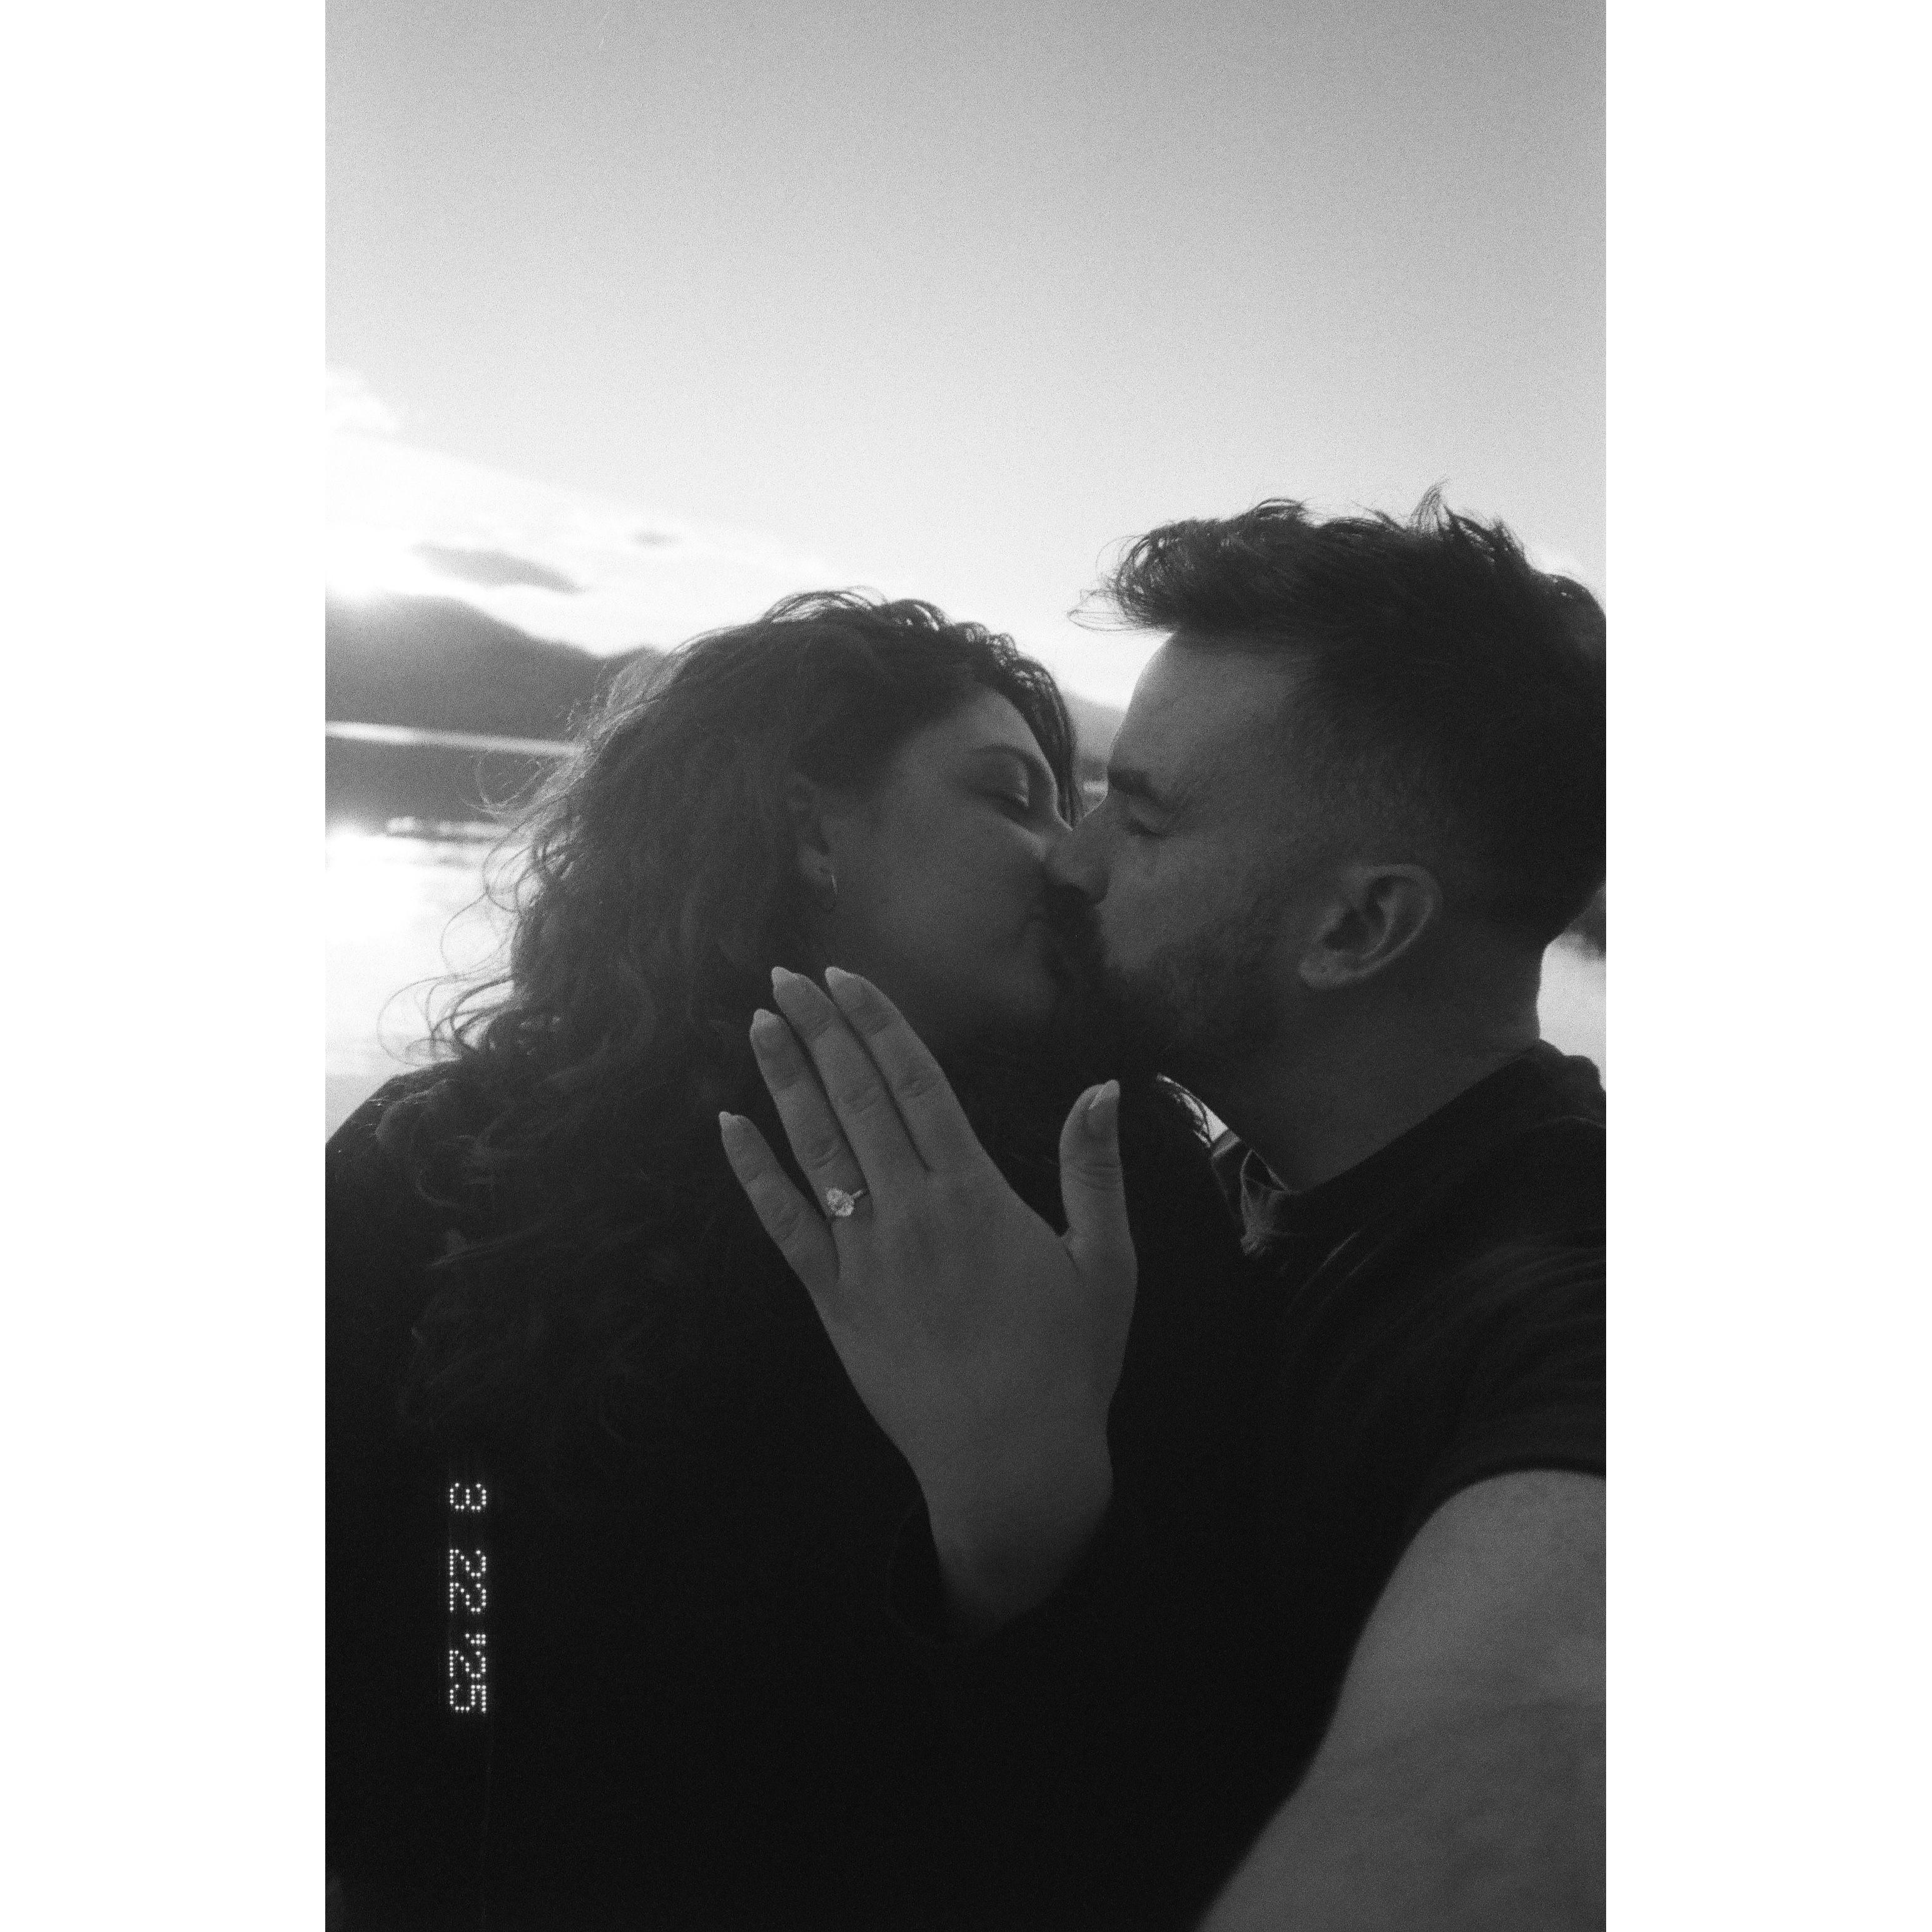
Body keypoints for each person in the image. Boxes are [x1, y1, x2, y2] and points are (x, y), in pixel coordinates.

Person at [725, 495, 1607, 1929]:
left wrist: (1014, 1522)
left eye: (1140, 817)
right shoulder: (1229, 1195)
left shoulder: (1579, 1305)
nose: (1067, 863)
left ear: (1356, 928)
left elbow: (1518, 1735)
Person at [326, 590, 1255, 1930]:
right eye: (1010, 796)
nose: (1066, 862)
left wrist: (1022, 1538)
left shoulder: (1113, 1185)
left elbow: (1184, 1773)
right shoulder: (441, 1167)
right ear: (812, 827)